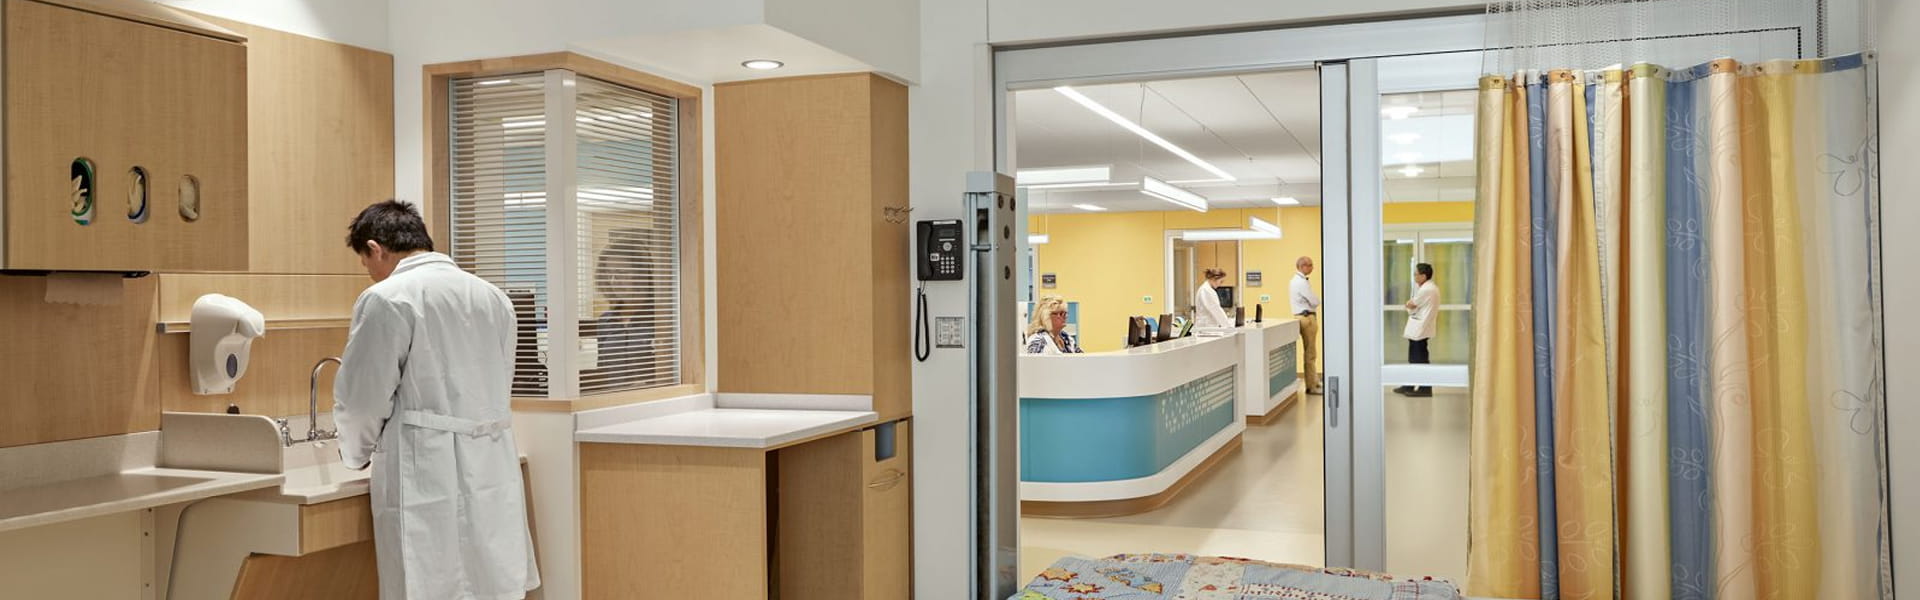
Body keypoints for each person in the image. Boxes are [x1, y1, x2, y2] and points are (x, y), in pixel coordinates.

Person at [333, 200, 541, 600]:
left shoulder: (388, 298)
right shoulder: (492, 296)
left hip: (425, 465)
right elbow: (503, 378)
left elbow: (363, 395)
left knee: (428, 582)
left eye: (366, 262)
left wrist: (354, 454)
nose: (370, 273)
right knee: (487, 580)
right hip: (490, 460)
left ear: (376, 248)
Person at [1396, 262, 1440, 397]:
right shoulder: (1428, 288)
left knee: (1419, 359)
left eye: (1416, 274)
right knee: (1415, 358)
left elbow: (1412, 303)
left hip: (1420, 329)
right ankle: (1409, 384)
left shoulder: (1427, 289)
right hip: (1419, 328)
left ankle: (1424, 389)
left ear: (1424, 276)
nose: (1414, 277)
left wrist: (1409, 304)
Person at [1291, 256, 1323, 394]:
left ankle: (1314, 381)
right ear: (1302, 266)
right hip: (1307, 317)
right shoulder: (1301, 282)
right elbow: (1314, 301)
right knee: (1310, 353)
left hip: (1303, 316)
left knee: (1310, 353)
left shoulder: (1296, 281)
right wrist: (1317, 300)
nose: (1312, 268)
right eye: (1310, 265)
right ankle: (1312, 386)